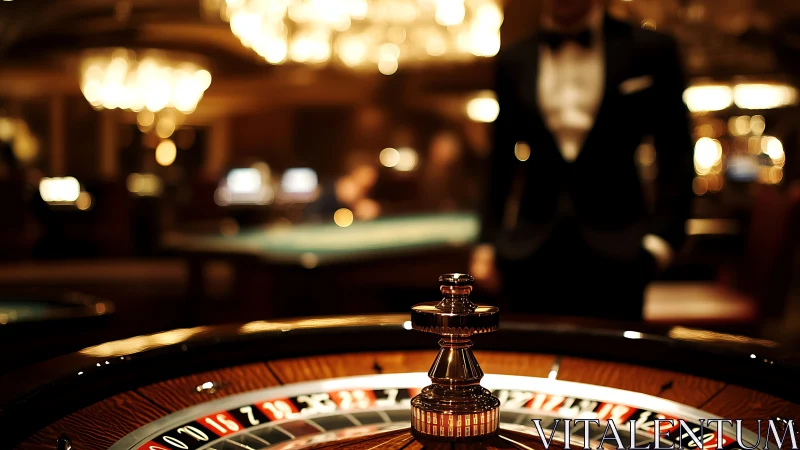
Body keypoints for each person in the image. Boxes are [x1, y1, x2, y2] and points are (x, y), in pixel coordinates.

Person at [471, 0, 694, 321]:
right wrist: (486, 243)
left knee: (616, 366)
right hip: (530, 253)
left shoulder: (652, 49)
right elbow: (500, 162)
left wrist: (662, 241)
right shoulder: (513, 59)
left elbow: (676, 153)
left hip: (621, 252)